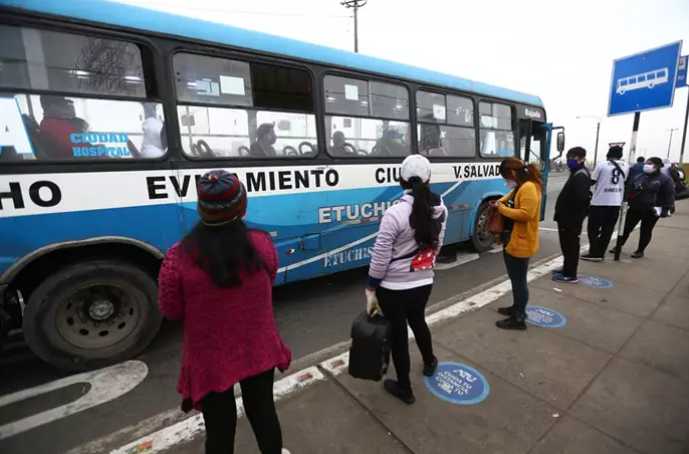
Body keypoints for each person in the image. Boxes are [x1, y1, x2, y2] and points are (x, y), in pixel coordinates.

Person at [158, 170, 291, 454]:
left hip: (210, 357)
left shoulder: (178, 257)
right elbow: (270, 277)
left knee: (219, 428)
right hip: (258, 347)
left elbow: (171, 310)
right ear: (242, 205)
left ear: (200, 208)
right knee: (263, 412)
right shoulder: (262, 243)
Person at [366, 154, 447, 404]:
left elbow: (380, 257)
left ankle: (405, 388)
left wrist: (371, 287)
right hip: (423, 283)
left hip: (393, 288)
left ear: (401, 180)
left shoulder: (394, 213)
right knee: (418, 320)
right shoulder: (440, 209)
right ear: (429, 179)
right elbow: (437, 246)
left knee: (399, 336)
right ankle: (430, 361)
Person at [494, 157, 543, 330]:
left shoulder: (528, 187)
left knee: (519, 281)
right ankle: (516, 308)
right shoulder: (520, 187)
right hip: (513, 239)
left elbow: (526, 214)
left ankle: (519, 318)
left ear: (513, 173)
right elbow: (506, 198)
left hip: (521, 242)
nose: (506, 181)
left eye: (506, 177)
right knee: (515, 279)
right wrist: (500, 202)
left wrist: (501, 209)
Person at [613, 157, 675, 258]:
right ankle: (618, 246)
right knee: (626, 228)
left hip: (652, 210)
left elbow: (669, 195)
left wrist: (667, 207)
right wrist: (625, 201)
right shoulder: (639, 176)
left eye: (649, 163)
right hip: (635, 207)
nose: (646, 165)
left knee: (646, 230)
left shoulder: (665, 180)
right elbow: (629, 189)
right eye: (646, 163)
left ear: (657, 166)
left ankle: (640, 251)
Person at [582, 145, 629, 262]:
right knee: (607, 230)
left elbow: (592, 181)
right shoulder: (626, 166)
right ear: (621, 155)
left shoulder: (602, 165)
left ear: (608, 155)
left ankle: (594, 252)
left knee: (593, 229)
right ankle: (600, 253)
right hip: (616, 203)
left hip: (599, 202)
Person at [553, 147, 591, 283]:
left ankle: (570, 274)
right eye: (568, 158)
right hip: (568, 218)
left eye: (573, 158)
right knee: (567, 245)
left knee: (571, 246)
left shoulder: (580, 175)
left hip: (571, 219)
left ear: (581, 159)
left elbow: (581, 199)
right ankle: (567, 268)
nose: (570, 161)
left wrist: (571, 216)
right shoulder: (577, 172)